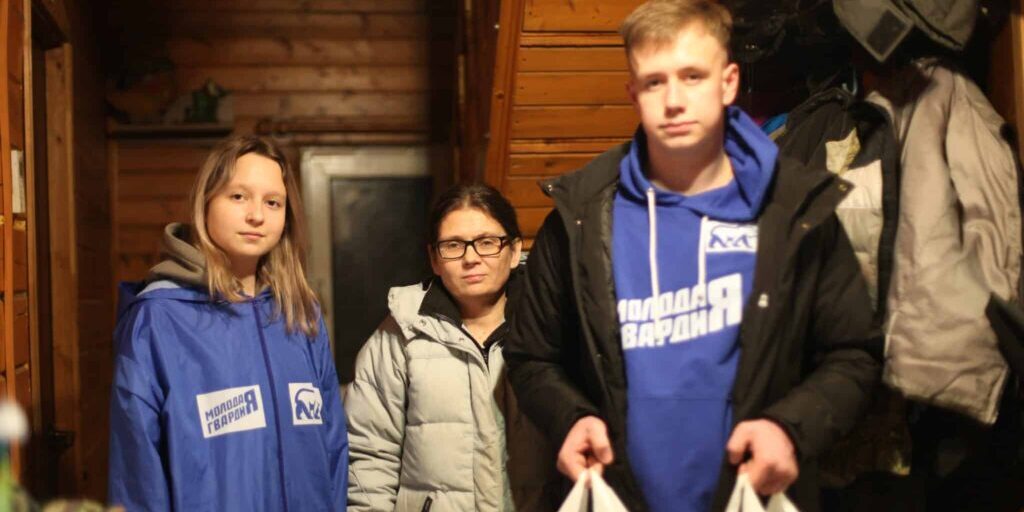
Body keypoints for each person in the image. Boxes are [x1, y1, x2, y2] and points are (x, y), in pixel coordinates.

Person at [504, 1, 882, 511]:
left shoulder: (796, 208)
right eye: (654, 82)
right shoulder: (581, 215)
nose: (674, 101)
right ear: (633, 93)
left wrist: (789, 428)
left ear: (728, 83)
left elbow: (854, 353)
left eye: (692, 76)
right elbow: (532, 356)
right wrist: (571, 418)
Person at [108, 135, 348, 511]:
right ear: (206, 202)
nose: (257, 215)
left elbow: (332, 446)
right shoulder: (157, 318)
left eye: (273, 202)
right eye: (238, 196)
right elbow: (138, 473)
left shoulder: (301, 313)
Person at [345, 184, 561, 512]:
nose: (471, 258)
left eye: (487, 243)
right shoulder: (400, 334)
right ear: (434, 258)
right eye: (454, 245)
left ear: (515, 250)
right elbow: (370, 456)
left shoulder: (549, 328)